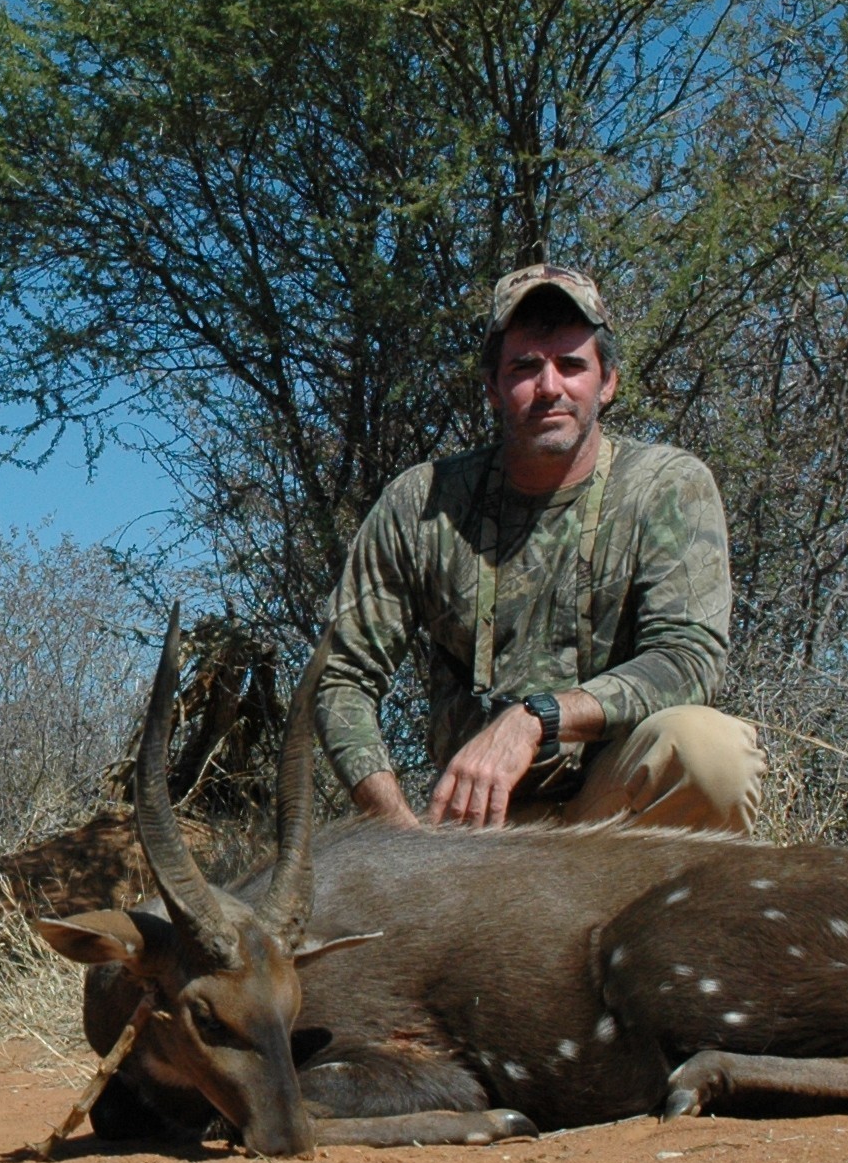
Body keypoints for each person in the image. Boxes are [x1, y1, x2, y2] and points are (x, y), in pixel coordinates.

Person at [313, 263, 762, 833]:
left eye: (572, 365)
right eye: (525, 366)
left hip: (618, 814)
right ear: (493, 388)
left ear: (608, 382)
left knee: (710, 752)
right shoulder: (421, 501)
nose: (550, 386)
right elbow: (341, 675)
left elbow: (687, 659)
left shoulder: (667, 486)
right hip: (478, 830)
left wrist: (535, 719)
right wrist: (396, 828)